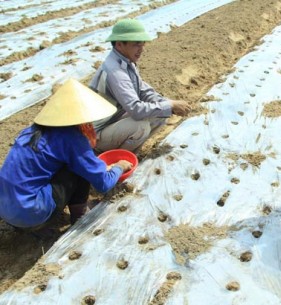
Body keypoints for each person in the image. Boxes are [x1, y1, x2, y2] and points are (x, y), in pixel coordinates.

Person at [0, 79, 133, 231]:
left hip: (5, 209)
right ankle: (80, 215)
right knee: (77, 167)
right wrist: (119, 167)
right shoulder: (72, 138)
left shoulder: (31, 132)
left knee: (69, 162)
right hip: (31, 214)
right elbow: (103, 184)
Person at [89, 18, 191, 153]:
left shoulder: (126, 62)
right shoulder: (115, 72)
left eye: (142, 44)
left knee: (160, 114)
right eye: (136, 44)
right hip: (95, 135)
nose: (141, 49)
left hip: (113, 119)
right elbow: (136, 109)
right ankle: (116, 159)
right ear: (119, 44)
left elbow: (143, 91)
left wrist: (169, 103)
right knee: (140, 126)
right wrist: (170, 106)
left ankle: (133, 152)